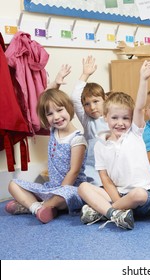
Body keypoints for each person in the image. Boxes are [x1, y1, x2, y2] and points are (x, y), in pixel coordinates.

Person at [77, 60, 150, 230]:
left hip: (140, 200)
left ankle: (104, 211)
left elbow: (140, 107)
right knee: (83, 187)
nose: (120, 123)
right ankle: (115, 213)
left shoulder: (134, 134)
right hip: (117, 194)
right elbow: (105, 179)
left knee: (139, 194)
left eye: (125, 118)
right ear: (105, 118)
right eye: (114, 118)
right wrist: (116, 200)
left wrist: (143, 79)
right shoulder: (100, 145)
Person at [5, 89, 88, 223]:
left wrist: (59, 192)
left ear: (69, 108)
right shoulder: (54, 130)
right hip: (50, 187)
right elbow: (45, 97)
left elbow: (74, 171)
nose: (56, 117)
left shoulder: (77, 139)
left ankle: (35, 205)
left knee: (64, 195)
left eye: (60, 110)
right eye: (50, 114)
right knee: (13, 184)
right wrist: (57, 81)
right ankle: (38, 208)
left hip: (70, 189)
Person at [71, 55, 109, 186]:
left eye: (96, 101)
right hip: (93, 169)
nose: (92, 107)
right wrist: (85, 75)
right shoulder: (88, 121)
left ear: (105, 99)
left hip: (113, 167)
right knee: (92, 185)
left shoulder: (114, 118)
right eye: (87, 104)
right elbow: (75, 98)